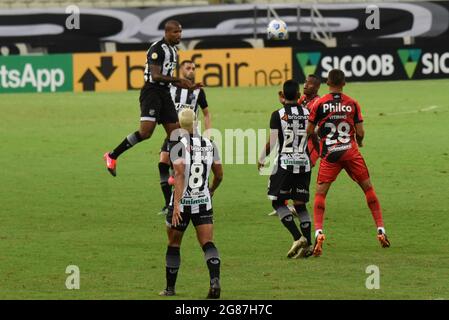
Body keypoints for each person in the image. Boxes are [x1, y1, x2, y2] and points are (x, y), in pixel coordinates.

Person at [306, 69, 390, 257]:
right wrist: (359, 142)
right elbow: (360, 132)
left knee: (320, 194)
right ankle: (381, 229)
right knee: (368, 189)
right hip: (351, 152)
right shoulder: (352, 103)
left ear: (328, 83)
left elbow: (310, 130)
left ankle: (319, 232)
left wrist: (321, 138)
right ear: (344, 83)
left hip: (330, 154)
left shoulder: (319, 103)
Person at [103, 20, 201, 176]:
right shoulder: (157, 49)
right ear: (167, 32)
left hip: (165, 93)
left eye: (180, 32)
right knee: (146, 133)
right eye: (175, 32)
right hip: (152, 92)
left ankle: (174, 173)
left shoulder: (174, 51)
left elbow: (167, 77)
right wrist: (178, 80)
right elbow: (155, 76)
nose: (179, 35)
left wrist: (188, 85)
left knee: (175, 133)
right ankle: (112, 155)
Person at [160, 108, 223, 298]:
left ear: (179, 125)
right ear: (196, 122)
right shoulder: (210, 144)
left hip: (182, 203)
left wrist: (177, 204)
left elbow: (178, 174)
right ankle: (214, 281)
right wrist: (211, 189)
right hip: (203, 201)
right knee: (207, 243)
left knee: (174, 243)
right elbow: (219, 175)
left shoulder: (176, 144)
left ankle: (170, 289)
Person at [258, 80, 318, 258]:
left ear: (283, 96)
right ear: (300, 96)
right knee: (300, 205)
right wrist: (318, 152)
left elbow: (273, 141)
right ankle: (307, 245)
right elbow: (314, 136)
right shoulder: (308, 113)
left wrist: (262, 157)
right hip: (304, 163)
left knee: (277, 203)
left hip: (285, 164)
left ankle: (297, 237)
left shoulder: (278, 114)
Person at [158, 60, 212, 215]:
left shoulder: (198, 91)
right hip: (173, 133)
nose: (191, 71)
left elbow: (207, 113)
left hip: (191, 135)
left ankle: (201, 198)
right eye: (188, 68)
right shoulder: (171, 87)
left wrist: (208, 134)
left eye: (194, 68)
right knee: (163, 163)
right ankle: (168, 202)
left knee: (190, 168)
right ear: (181, 70)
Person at [268, 75, 321, 217]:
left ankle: (291, 204)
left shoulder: (317, 103)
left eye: (309, 84)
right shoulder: (302, 99)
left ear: (316, 87)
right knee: (291, 169)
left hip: (310, 144)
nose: (305, 85)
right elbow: (291, 113)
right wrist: (284, 101)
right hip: (297, 142)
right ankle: (289, 203)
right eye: (305, 83)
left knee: (297, 171)